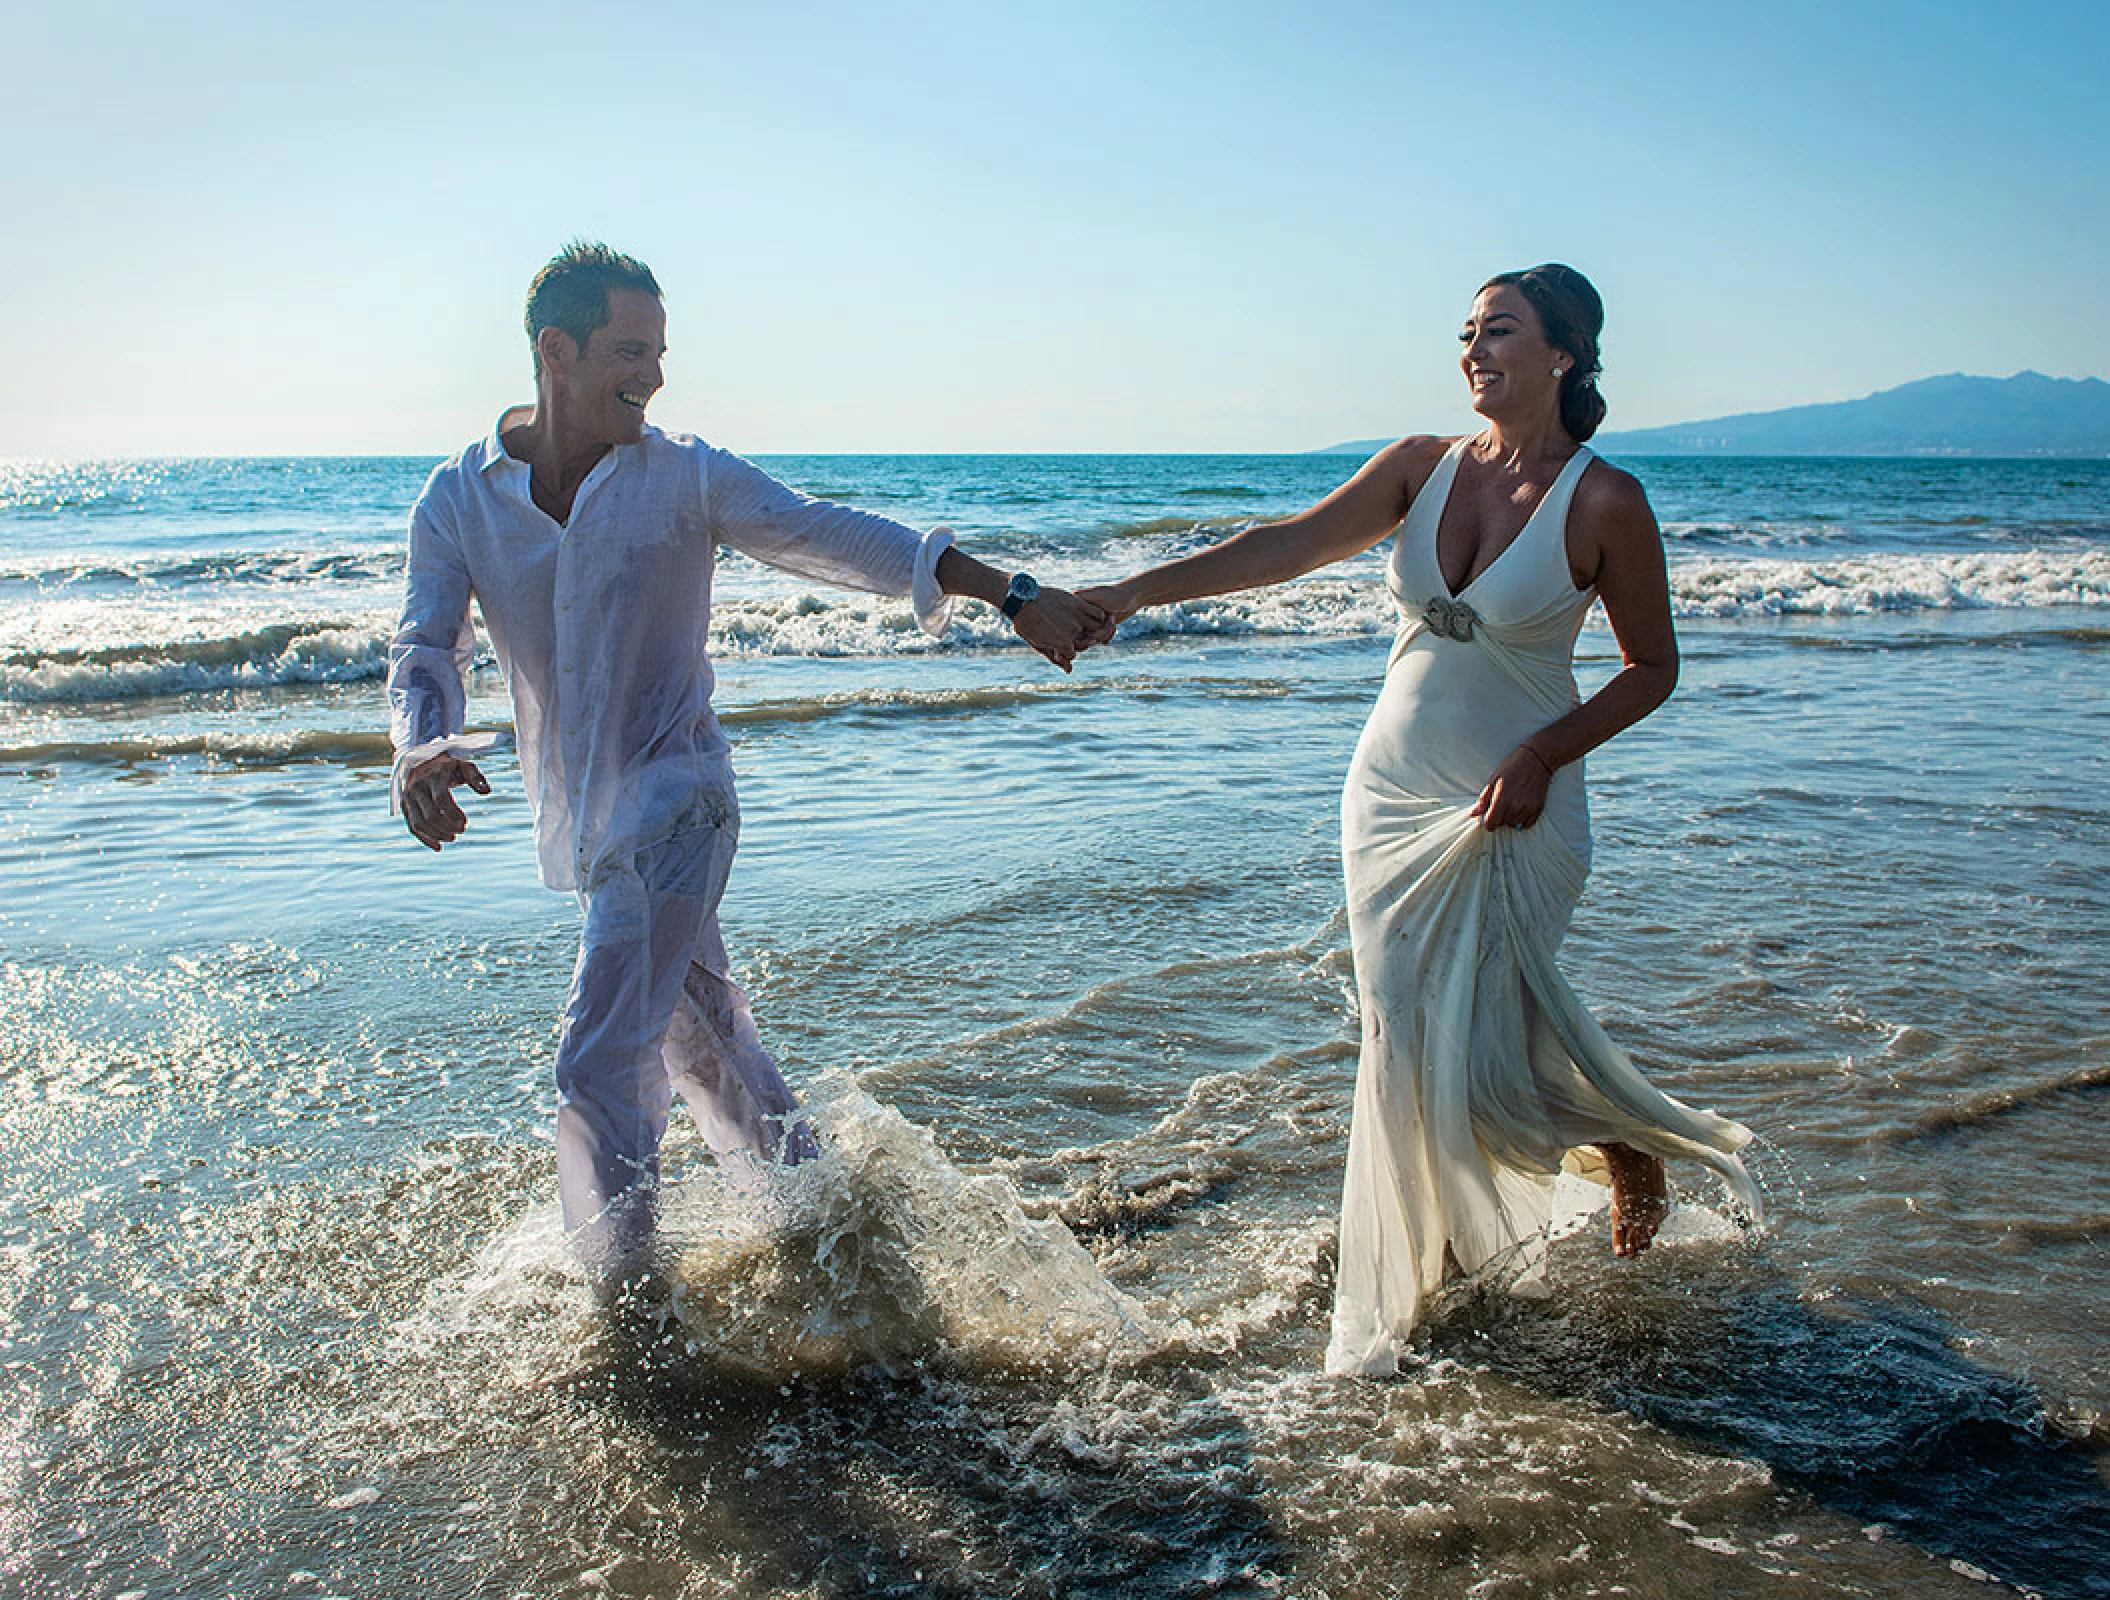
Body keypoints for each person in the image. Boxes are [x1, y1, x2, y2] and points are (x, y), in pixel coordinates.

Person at [1080, 264, 1761, 1376]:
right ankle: (1458, 1251)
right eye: (1466, 333)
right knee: (1404, 1032)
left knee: (1471, 1024)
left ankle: (1562, 1179)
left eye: (1499, 331)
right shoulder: (1418, 468)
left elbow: (1652, 669)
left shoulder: (1604, 500)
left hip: (1519, 799)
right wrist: (1131, 593)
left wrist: (1543, 751)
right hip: (1389, 791)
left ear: (1563, 353)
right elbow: (1282, 546)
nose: (1473, 350)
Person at [386, 241, 1106, 1289]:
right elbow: (422, 646)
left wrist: (1008, 592)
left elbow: (829, 535)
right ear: (556, 348)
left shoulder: (684, 474)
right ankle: (828, 1235)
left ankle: (625, 1316)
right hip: (590, 826)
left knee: (598, 1059)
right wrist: (419, 742)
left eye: (661, 350)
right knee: (704, 1052)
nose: (656, 374)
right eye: (632, 350)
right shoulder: (461, 498)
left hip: (683, 807)